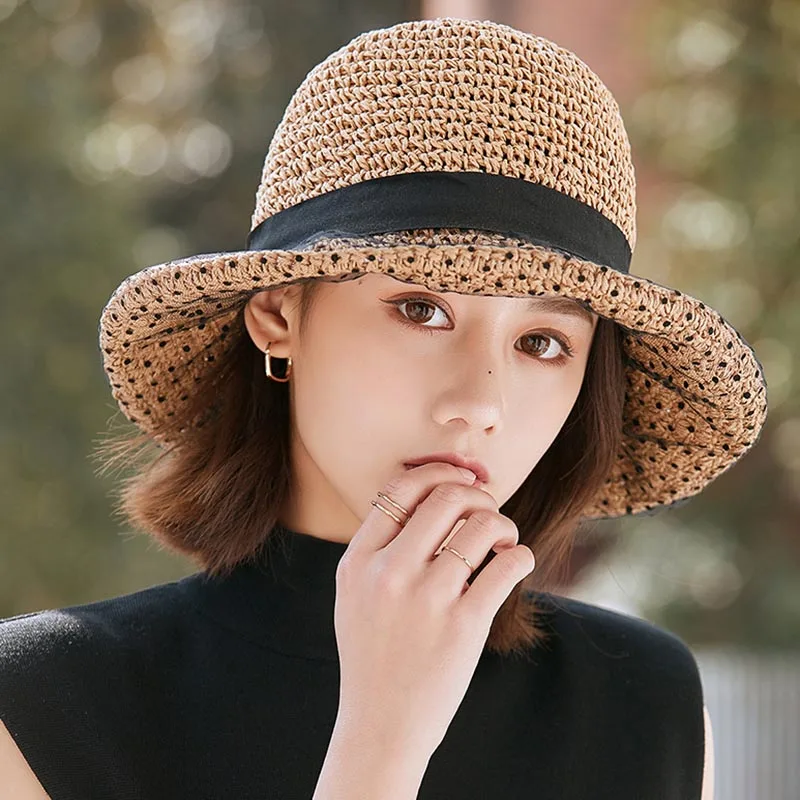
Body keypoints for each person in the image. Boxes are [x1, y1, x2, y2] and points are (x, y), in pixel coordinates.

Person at [0, 16, 763, 799]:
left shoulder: (645, 704)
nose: (479, 404)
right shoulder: (41, 710)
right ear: (279, 313)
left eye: (540, 343)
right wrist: (382, 738)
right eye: (422, 311)